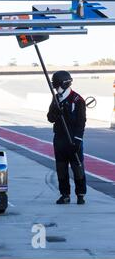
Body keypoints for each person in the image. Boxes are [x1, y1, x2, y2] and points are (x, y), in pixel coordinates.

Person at [47, 70, 87, 205]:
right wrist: (56, 113)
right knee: (61, 168)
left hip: (73, 139)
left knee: (77, 167)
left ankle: (81, 194)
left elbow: (81, 122)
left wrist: (78, 140)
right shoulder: (56, 98)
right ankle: (65, 195)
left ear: (64, 84)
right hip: (59, 139)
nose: (55, 88)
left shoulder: (78, 100)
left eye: (57, 85)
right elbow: (49, 118)